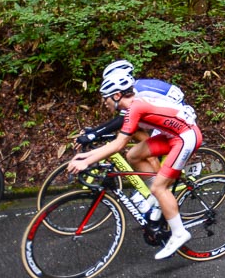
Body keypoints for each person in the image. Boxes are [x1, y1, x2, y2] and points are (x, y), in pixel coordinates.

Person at [68, 71, 201, 259]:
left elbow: (117, 144)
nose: (104, 103)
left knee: (159, 187)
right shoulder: (133, 107)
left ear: (116, 95)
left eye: (105, 98)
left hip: (186, 137)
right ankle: (159, 197)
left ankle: (179, 232)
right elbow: (120, 143)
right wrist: (85, 157)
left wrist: (86, 161)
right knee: (134, 155)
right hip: (173, 135)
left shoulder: (135, 108)